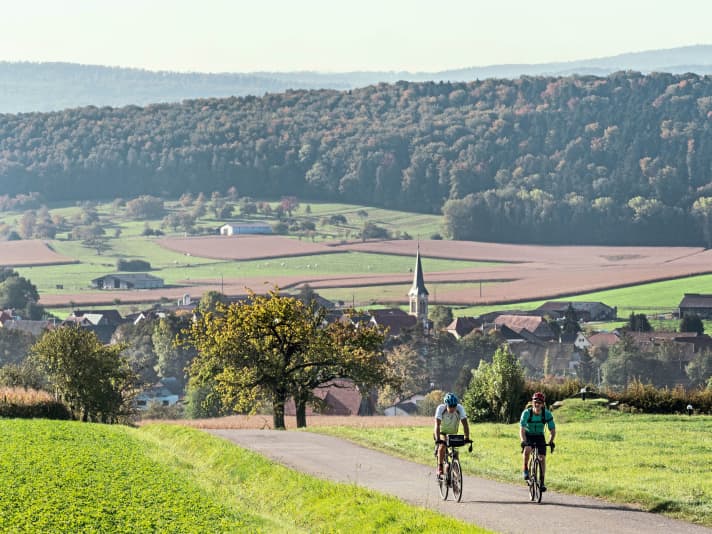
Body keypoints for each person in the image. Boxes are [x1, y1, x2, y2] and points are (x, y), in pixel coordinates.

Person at [519, 392, 556, 492]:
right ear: (532, 402)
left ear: (543, 404)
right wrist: (523, 441)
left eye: (540, 402)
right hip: (528, 435)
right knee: (527, 450)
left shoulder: (546, 414)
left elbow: (552, 430)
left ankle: (542, 482)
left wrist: (551, 441)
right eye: (535, 401)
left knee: (542, 458)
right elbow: (522, 429)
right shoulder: (527, 413)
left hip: (539, 436)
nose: (537, 404)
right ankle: (525, 468)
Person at [433, 392, 470, 477]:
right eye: (450, 406)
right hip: (442, 432)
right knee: (442, 445)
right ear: (446, 405)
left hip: (453, 433)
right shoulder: (441, 408)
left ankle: (456, 477)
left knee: (455, 453)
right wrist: (438, 439)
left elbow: (465, 424)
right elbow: (437, 425)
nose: (452, 408)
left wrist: (467, 438)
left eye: (454, 406)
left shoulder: (459, 408)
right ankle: (440, 467)